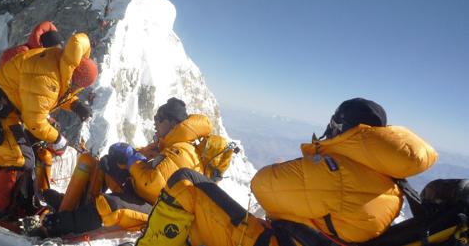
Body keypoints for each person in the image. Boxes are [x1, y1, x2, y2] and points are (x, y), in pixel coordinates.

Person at [135, 97, 438, 246]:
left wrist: (316, 157)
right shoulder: (391, 184)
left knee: (187, 182)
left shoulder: (339, 173)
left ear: (341, 126)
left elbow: (263, 186)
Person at [31, 97, 218, 238]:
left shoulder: (181, 151)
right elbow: (147, 164)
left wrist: (132, 159)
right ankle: (78, 206)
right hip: (149, 196)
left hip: (160, 210)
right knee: (106, 164)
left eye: (159, 119)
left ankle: (60, 225)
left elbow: (151, 185)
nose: (155, 122)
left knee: (110, 204)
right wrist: (130, 155)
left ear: (172, 122)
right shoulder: (169, 145)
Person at [0, 31, 98, 219]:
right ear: (75, 78)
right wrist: (57, 139)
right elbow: (35, 121)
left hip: (4, 100)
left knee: (6, 156)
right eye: (76, 87)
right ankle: (1, 212)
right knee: (18, 158)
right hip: (2, 105)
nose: (75, 90)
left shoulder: (61, 62)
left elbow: (56, 94)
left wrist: (75, 105)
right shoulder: (48, 77)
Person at [0, 21, 64, 199]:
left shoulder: (29, 54)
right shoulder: (26, 55)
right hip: (1, 104)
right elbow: (11, 84)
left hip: (6, 103)